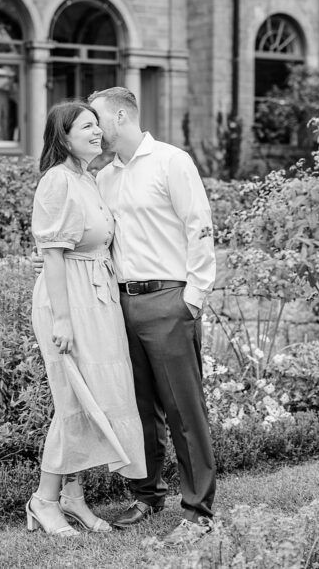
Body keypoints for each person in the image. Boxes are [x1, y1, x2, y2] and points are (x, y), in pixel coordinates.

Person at [87, 87, 217, 546]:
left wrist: (193, 297)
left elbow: (199, 226)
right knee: (138, 409)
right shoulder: (103, 177)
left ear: (120, 116)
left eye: (96, 119)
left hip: (169, 300)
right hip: (122, 304)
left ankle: (198, 508)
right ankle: (146, 494)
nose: (92, 128)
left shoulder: (171, 161)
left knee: (184, 410)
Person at [26, 101, 147, 536]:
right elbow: (53, 254)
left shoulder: (88, 178)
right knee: (72, 400)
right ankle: (44, 501)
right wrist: (61, 319)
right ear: (64, 136)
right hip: (70, 303)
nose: (97, 132)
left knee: (96, 398)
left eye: (98, 124)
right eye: (87, 126)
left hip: (97, 296)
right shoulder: (57, 181)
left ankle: (74, 498)